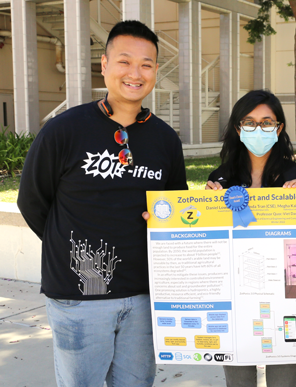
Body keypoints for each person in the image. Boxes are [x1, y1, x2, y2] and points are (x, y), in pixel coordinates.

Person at [17, 21, 188, 387]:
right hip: (79, 297)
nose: (135, 73)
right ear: (104, 65)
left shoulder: (165, 139)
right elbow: (33, 202)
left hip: (144, 295)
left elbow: (175, 207)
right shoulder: (64, 130)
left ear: (156, 71)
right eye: (125, 61)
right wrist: (70, 248)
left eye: (146, 64)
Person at [205, 89, 296, 387]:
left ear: (279, 129)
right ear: (238, 128)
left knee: (284, 381)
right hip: (235, 299)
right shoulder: (220, 178)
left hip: (286, 300)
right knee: (238, 382)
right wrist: (207, 208)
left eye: (267, 122)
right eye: (249, 122)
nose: (258, 129)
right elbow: (208, 243)